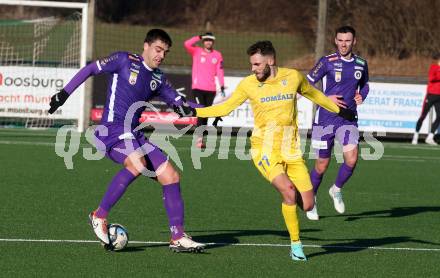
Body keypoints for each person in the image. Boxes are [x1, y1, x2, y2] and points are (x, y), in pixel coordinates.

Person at [174, 41, 356, 261]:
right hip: (264, 149)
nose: (253, 68)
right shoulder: (248, 84)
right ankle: (296, 245)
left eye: (257, 64)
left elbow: (314, 95)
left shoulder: (293, 77)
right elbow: (225, 107)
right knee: (288, 192)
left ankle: (297, 211)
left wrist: (338, 110)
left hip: (292, 151)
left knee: (308, 204)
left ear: (271, 61)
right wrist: (194, 110)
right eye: (252, 64)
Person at [48, 29, 205, 252]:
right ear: (146, 46)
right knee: (137, 163)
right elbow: (91, 69)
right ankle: (98, 215)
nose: (161, 55)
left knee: (170, 176)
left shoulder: (158, 78)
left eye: (165, 52)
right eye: (158, 49)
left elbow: (183, 104)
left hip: (134, 133)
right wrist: (63, 94)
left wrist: (212, 111)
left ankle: (177, 236)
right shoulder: (124, 60)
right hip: (110, 130)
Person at [305, 26, 369, 220]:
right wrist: (326, 97)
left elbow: (365, 85)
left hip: (348, 119)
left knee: (351, 159)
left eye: (347, 40)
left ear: (354, 41)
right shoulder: (327, 62)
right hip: (324, 120)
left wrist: (361, 96)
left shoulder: (361, 63)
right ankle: (311, 200)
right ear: (335, 40)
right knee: (321, 165)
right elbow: (306, 84)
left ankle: (336, 189)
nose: (343, 44)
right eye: (340, 40)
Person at [184, 32, 225, 148]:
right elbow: (187, 44)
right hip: (198, 88)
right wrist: (198, 36)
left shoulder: (217, 55)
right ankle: (199, 140)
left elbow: (220, 71)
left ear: (213, 42)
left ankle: (201, 139)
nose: (208, 42)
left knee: (206, 114)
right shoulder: (196, 51)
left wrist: (221, 85)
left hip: (211, 90)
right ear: (203, 42)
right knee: (201, 112)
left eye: (210, 40)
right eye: (206, 40)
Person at [412, 53, 440, 145]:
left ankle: (430, 137)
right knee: (423, 116)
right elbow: (432, 78)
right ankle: (416, 136)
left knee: (439, 116)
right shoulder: (434, 67)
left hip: (439, 97)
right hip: (431, 95)